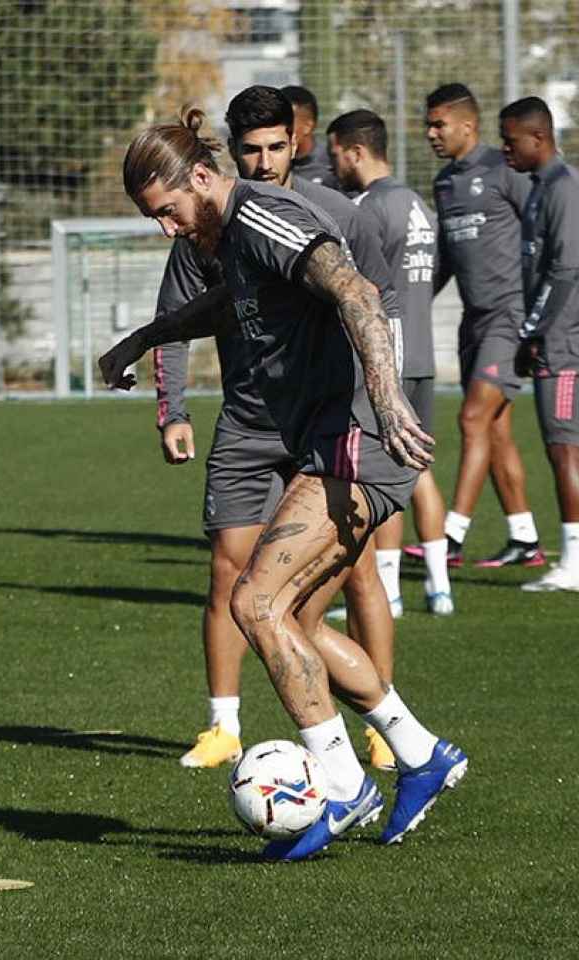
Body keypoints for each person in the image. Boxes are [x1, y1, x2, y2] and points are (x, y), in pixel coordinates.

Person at [109, 109, 467, 861]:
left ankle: (341, 783)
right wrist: (147, 337)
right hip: (334, 443)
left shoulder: (262, 216)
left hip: (359, 443)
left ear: (200, 178)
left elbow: (359, 294)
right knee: (294, 622)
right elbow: (229, 308)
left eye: (168, 212)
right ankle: (422, 752)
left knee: (254, 601)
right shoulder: (231, 236)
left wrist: (389, 399)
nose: (167, 230)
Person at [146, 87, 402, 772]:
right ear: (229, 155)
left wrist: (388, 402)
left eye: (275, 147)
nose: (263, 162)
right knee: (236, 579)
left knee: (345, 582)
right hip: (252, 420)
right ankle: (225, 726)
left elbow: (370, 300)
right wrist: (170, 405)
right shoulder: (207, 228)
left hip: (329, 423)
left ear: (299, 142)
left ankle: (375, 743)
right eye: (250, 149)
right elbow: (182, 317)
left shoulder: (326, 215)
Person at [328, 109, 454, 615]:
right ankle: (439, 587)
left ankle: (391, 592)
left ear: (355, 152)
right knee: (418, 468)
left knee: (383, 471)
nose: (333, 164)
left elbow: (359, 287)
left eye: (336, 154)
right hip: (422, 351)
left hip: (389, 356)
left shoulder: (367, 208)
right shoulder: (416, 203)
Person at [426, 83, 545, 567]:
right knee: (494, 431)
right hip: (473, 323)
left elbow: (542, 233)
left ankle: (450, 536)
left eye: (439, 124)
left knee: (472, 418)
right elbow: (445, 262)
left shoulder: (505, 170)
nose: (430, 133)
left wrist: (540, 316)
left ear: (468, 125)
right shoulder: (445, 183)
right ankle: (525, 538)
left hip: (509, 318)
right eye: (427, 124)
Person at [501, 97, 579, 592]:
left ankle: (578, 566)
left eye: (511, 140)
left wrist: (534, 331)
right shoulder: (541, 188)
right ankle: (572, 561)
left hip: (567, 341)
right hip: (555, 337)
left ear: (538, 138)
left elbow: (565, 271)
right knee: (555, 446)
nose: (505, 149)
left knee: (564, 446)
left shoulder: (565, 190)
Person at [281, 84, 343, 193]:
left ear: (307, 126)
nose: (278, 129)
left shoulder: (333, 163)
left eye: (286, 123)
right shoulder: (269, 164)